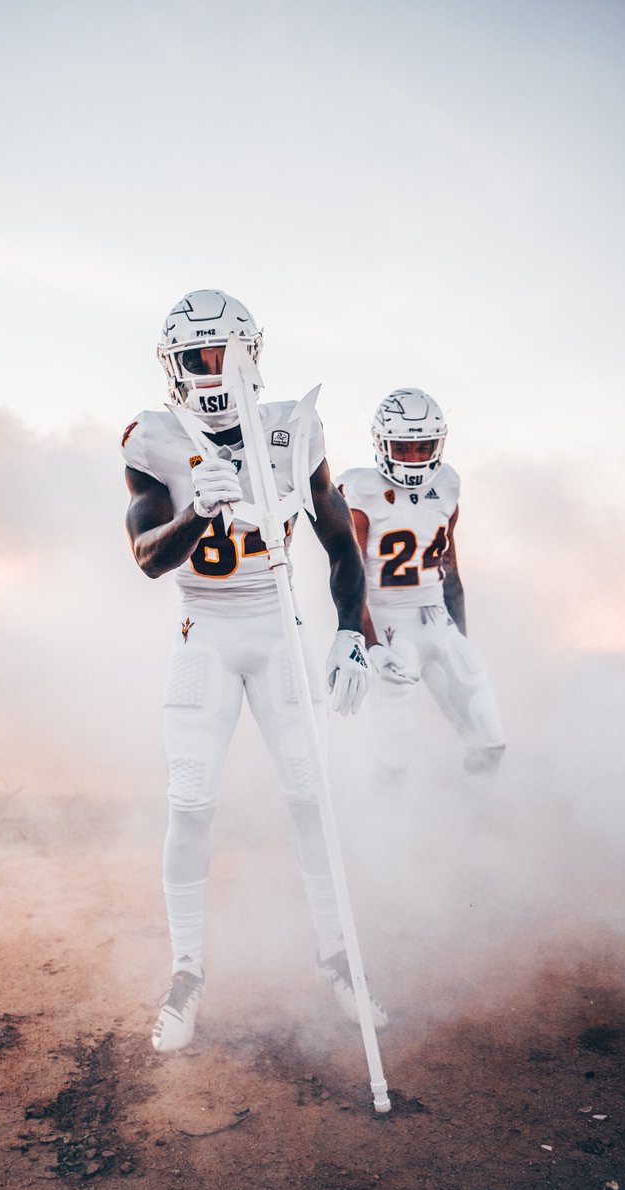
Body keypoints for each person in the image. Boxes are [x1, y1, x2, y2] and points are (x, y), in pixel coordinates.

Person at [122, 288, 390, 1052]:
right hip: (203, 631)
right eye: (193, 360)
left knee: (312, 796)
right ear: (171, 368)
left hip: (278, 633)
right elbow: (147, 558)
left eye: (221, 355)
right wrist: (196, 516)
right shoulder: (154, 439)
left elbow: (341, 544)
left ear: (250, 353)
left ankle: (340, 960)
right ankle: (186, 974)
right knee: (191, 799)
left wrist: (349, 634)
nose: (209, 373)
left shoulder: (292, 428)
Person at [336, 388, 506, 785]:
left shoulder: (447, 485)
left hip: (437, 623)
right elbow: (350, 578)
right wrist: (371, 647)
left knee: (490, 741)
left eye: (423, 446)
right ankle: (385, 832)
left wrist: (459, 636)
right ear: (381, 443)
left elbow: (450, 570)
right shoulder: (362, 492)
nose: (413, 457)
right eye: (403, 446)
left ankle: (474, 815)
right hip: (388, 625)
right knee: (392, 762)